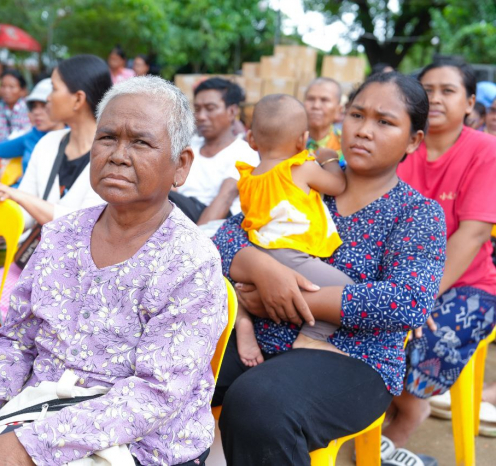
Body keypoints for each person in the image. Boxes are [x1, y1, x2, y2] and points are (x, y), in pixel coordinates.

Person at [0, 75, 227, 466]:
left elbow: (155, 395)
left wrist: (31, 446)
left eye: (140, 142)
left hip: (142, 444)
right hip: (36, 412)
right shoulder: (60, 235)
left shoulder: (192, 261)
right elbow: (15, 342)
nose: (118, 155)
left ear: (180, 165)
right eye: (107, 138)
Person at [211, 72, 446, 466]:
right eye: (357, 115)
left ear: (413, 140)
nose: (364, 130)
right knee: (174, 368)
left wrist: (290, 297)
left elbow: (408, 301)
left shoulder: (416, 213)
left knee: (259, 404)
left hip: (355, 358)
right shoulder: (302, 178)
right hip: (260, 340)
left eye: (384, 121)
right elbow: (224, 240)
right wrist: (259, 267)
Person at [387, 59, 496, 459]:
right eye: (426, 89)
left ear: (469, 102)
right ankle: (374, 419)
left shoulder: (486, 150)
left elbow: (473, 234)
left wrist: (419, 297)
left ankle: (406, 416)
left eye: (447, 90)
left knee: (424, 339)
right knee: (358, 324)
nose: (434, 98)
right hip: (397, 275)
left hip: (467, 284)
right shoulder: (399, 142)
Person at [0, 56, 111, 318]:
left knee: (1, 308)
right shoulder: (48, 143)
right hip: (32, 262)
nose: (47, 99)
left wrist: (17, 195)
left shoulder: (110, 155)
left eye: (54, 89)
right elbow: (25, 214)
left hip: (80, 278)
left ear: (78, 99)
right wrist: (0, 203)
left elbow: (84, 225)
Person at [234, 94, 351, 367]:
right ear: (302, 140)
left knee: (241, 288)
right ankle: (311, 336)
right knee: (346, 291)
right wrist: (330, 160)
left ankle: (242, 319)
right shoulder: (300, 168)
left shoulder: (249, 177)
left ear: (251, 139)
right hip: (290, 254)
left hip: (258, 250)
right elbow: (338, 186)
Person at [168, 77, 258, 224]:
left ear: (232, 111)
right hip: (180, 211)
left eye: (210, 108)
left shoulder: (245, 153)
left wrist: (196, 236)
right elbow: (171, 186)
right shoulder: (189, 146)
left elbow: (225, 198)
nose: (201, 116)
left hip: (215, 220)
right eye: (197, 109)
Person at [0, 79, 64, 180]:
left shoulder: (70, 140)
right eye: (34, 107)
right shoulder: (33, 136)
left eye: (44, 106)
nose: (37, 112)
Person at [0, 69, 31, 142]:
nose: (6, 91)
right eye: (3, 86)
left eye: (11, 87)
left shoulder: (29, 108)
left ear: (22, 90)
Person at [304, 77, 344, 157]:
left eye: (324, 100)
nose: (316, 106)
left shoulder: (345, 143)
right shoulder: (290, 141)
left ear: (338, 110)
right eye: (311, 99)